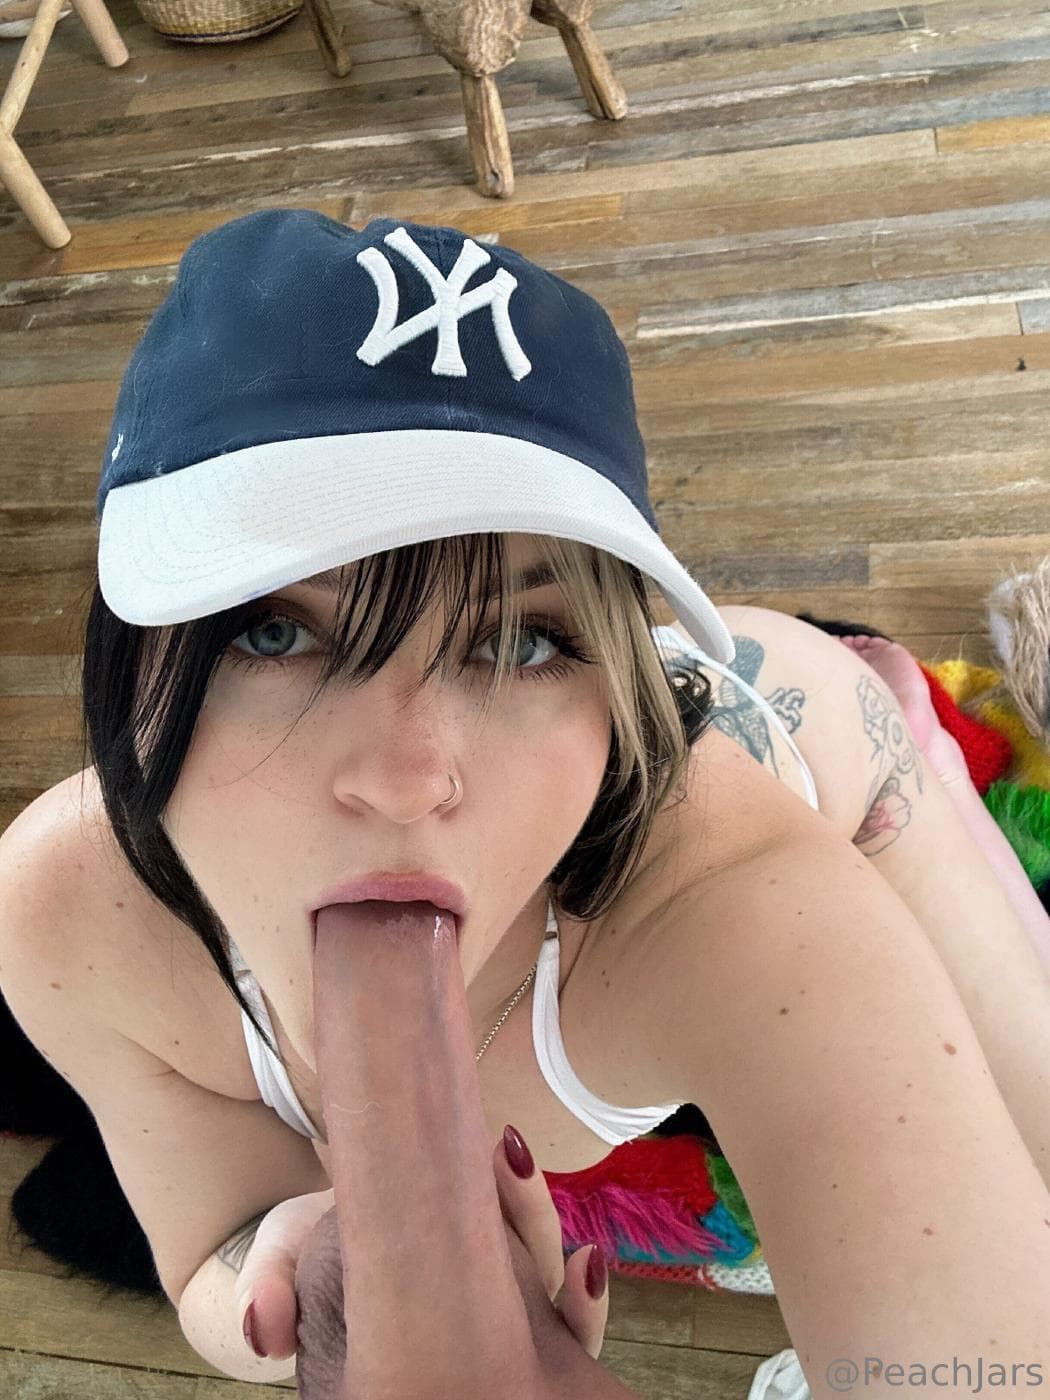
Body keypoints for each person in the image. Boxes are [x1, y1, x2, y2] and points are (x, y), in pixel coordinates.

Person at [3, 209, 1050, 1397]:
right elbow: (206, 1249)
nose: (408, 778)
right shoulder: (60, 914)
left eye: (526, 637)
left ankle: (892, 699)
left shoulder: (745, 912)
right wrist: (289, 1258)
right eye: (274, 628)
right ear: (124, 657)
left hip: (834, 760)